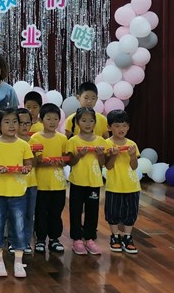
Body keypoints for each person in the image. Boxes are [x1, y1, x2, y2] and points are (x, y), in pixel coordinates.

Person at [0, 108, 33, 278]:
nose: (12, 125)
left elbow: (28, 163)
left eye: (15, 122)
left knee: (19, 225)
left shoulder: (23, 145)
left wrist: (26, 168)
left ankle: (19, 262)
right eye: (7, 122)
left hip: (18, 193)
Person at [66, 107, 111, 256]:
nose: (87, 124)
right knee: (76, 210)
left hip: (94, 182)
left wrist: (100, 155)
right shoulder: (73, 141)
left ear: (95, 123)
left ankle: (90, 238)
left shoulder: (101, 141)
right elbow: (70, 162)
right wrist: (79, 155)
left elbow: (103, 163)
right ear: (77, 122)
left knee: (92, 211)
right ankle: (77, 239)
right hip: (77, 181)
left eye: (91, 121)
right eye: (84, 120)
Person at [30, 103, 68, 254]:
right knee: (40, 212)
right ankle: (40, 239)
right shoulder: (35, 138)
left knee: (56, 212)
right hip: (40, 184)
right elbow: (33, 162)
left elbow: (67, 158)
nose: (52, 122)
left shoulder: (62, 138)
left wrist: (63, 161)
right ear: (41, 120)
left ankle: (54, 239)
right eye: (48, 118)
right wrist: (44, 162)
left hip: (58, 183)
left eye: (55, 118)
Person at [104, 110, 140, 254]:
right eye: (117, 125)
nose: (121, 129)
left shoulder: (132, 144)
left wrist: (133, 156)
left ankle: (128, 237)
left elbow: (134, 166)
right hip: (114, 185)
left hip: (132, 185)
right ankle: (115, 236)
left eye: (124, 126)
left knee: (131, 212)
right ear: (109, 127)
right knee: (112, 212)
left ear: (128, 127)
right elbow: (108, 166)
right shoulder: (106, 143)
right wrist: (113, 155)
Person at [12, 108, 37, 255]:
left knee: (28, 213)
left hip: (31, 183)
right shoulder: (10, 141)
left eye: (27, 123)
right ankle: (12, 241)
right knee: (14, 213)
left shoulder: (35, 142)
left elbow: (36, 164)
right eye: (20, 123)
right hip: (14, 183)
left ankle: (26, 241)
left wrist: (33, 154)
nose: (24, 126)